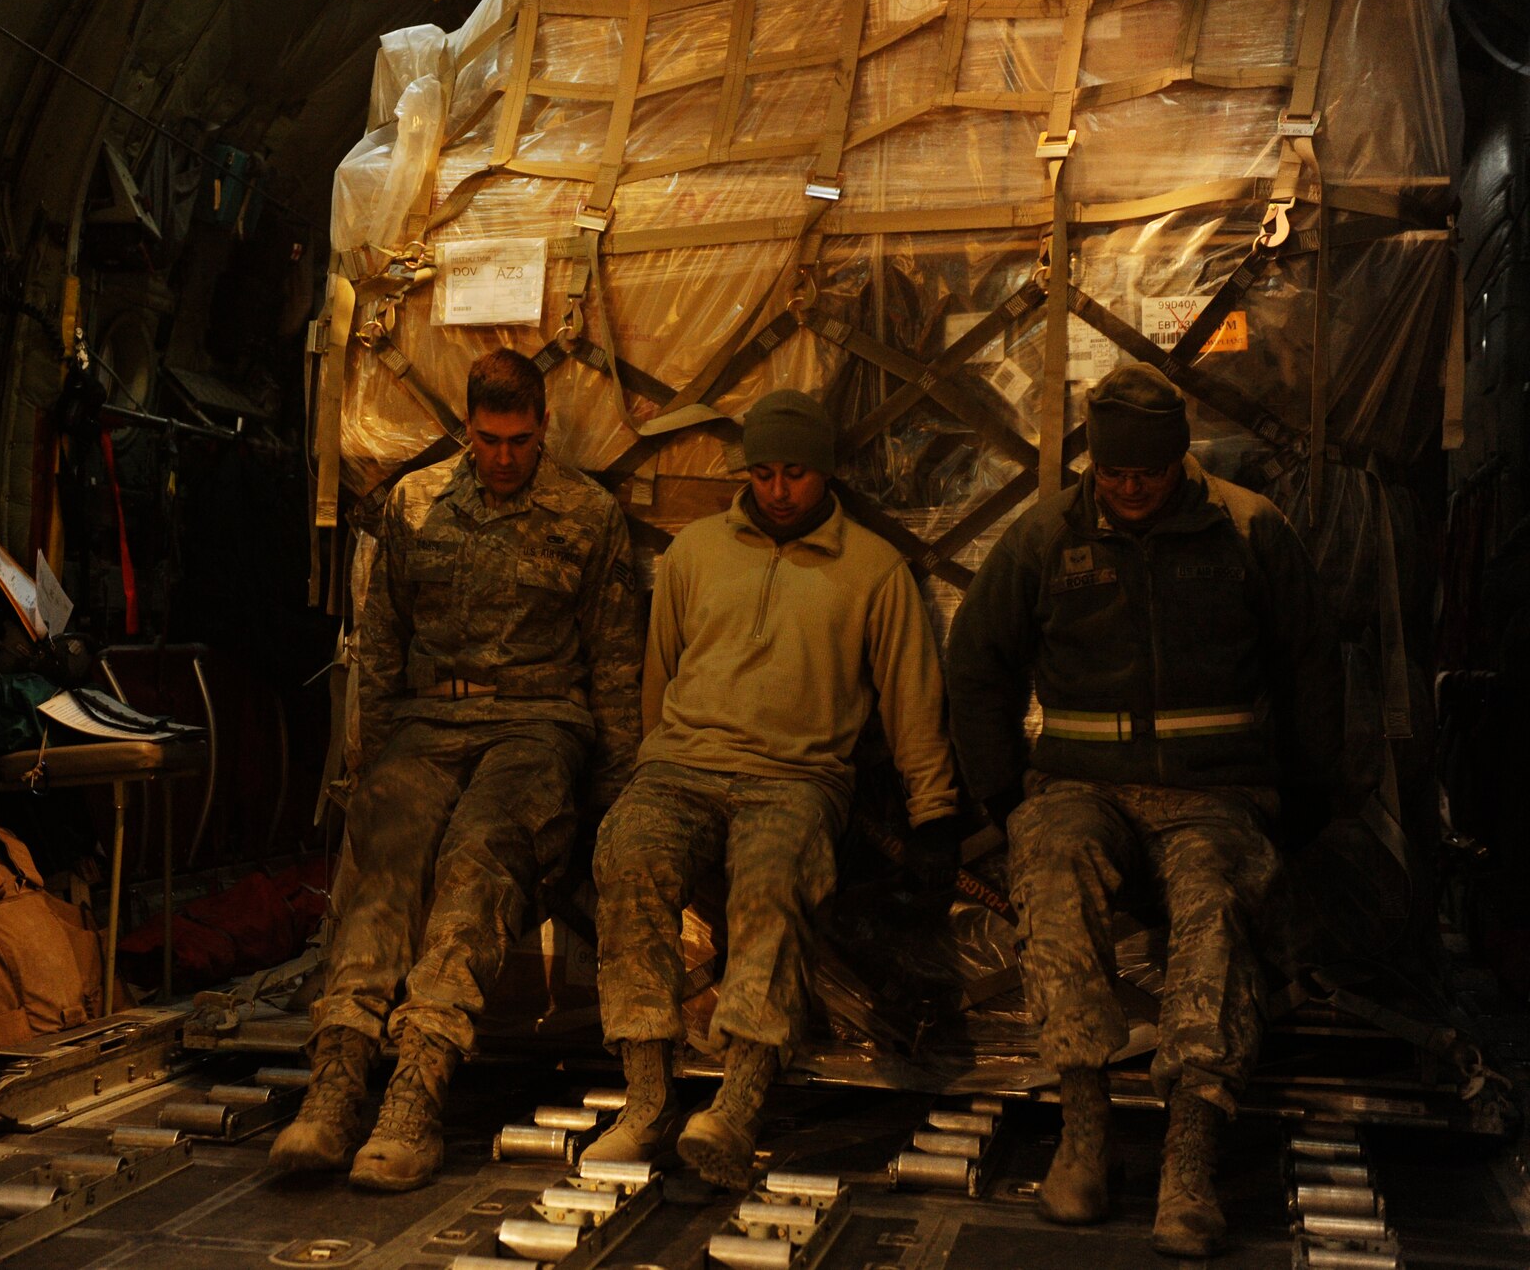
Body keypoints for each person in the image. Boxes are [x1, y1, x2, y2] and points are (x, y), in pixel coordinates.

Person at [945, 364, 1342, 1257]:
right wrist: (1006, 795)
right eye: (1114, 474)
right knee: (1047, 863)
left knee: (1216, 897)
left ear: (1180, 460)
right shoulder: (1046, 538)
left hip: (1216, 790)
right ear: (1095, 463)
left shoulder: (1247, 531)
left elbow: (1312, 668)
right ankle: (1085, 1131)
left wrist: (1304, 801)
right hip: (1081, 785)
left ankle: (1189, 1159)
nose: (1130, 490)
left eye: (1148, 474)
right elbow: (978, 663)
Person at [269, 347, 642, 1191]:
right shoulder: (415, 503)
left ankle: (416, 1090)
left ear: (543, 426)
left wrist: (614, 799)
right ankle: (335, 1081)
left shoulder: (587, 516)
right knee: (386, 852)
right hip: (429, 721)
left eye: (518, 439)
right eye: (487, 438)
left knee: (479, 858)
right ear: (466, 428)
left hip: (538, 724)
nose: (503, 456)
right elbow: (385, 646)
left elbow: (615, 666)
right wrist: (370, 765)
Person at [587, 388, 966, 1189]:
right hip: (683, 763)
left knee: (774, 876)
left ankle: (739, 1097)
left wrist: (934, 814)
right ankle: (648, 1095)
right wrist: (649, 766)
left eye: (795, 472)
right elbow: (661, 675)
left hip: (796, 776)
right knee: (627, 853)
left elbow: (911, 700)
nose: (778, 489)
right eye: (763, 472)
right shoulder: (693, 552)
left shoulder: (872, 569)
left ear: (822, 472)